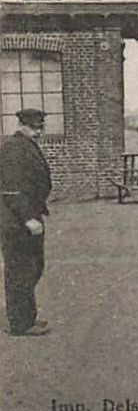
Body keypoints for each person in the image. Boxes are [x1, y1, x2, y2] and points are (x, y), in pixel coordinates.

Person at [1, 108, 53, 336]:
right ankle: (21, 323)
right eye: (35, 128)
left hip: (27, 216)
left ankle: (27, 316)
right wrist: (28, 218)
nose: (39, 132)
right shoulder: (14, 148)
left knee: (32, 267)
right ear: (22, 126)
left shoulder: (26, 145)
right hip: (17, 221)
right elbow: (12, 189)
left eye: (41, 127)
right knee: (21, 270)